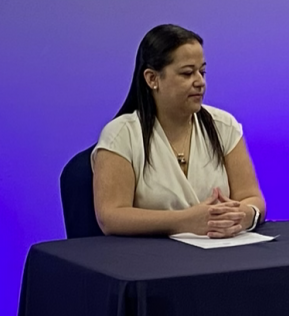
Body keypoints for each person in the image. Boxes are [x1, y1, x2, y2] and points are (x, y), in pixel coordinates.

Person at [92, 24, 265, 238]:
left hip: (221, 249)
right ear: (152, 79)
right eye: (187, 73)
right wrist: (186, 221)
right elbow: (111, 216)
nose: (200, 82)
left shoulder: (223, 125)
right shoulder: (121, 135)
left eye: (202, 72)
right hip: (150, 255)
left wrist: (244, 215)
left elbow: (252, 198)